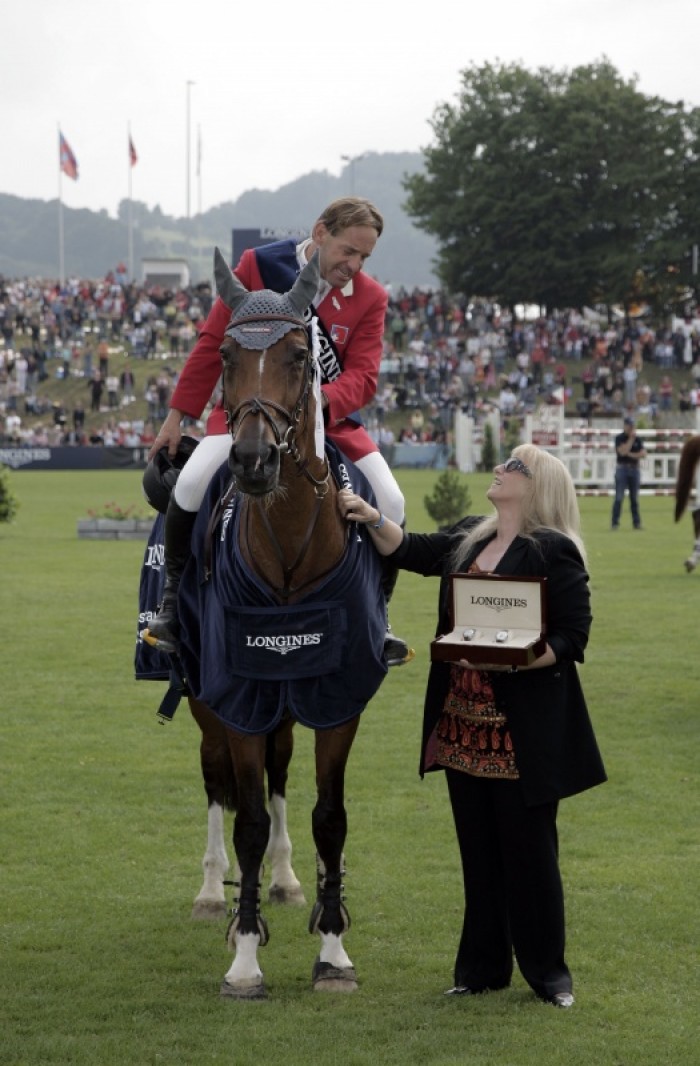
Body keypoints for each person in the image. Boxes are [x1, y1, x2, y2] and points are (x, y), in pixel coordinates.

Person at [337, 444, 606, 1008]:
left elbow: (572, 637)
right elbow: (411, 549)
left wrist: (516, 658)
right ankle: (481, 970)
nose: (501, 468)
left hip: (520, 733)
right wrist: (371, 516)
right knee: (478, 854)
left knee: (531, 855)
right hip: (462, 726)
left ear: (534, 487)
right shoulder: (471, 535)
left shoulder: (554, 551)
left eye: (513, 465)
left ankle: (549, 975)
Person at [146, 197, 408, 663]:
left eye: (364, 257)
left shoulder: (370, 298)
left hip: (329, 422)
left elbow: (364, 377)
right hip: (248, 415)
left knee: (391, 501)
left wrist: (319, 401)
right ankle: (170, 606)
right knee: (189, 484)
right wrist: (176, 415)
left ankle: (379, 614)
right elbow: (213, 343)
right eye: (349, 251)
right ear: (321, 231)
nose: (354, 265)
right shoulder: (258, 265)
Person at [611, 415, 646, 530]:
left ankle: (636, 523)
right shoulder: (619, 438)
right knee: (619, 498)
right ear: (625, 426)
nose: (631, 428)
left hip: (634, 469)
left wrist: (630, 454)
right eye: (629, 426)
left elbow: (643, 454)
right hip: (622, 469)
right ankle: (615, 523)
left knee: (634, 499)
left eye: (632, 426)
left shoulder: (638, 439)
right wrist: (630, 440)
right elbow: (622, 452)